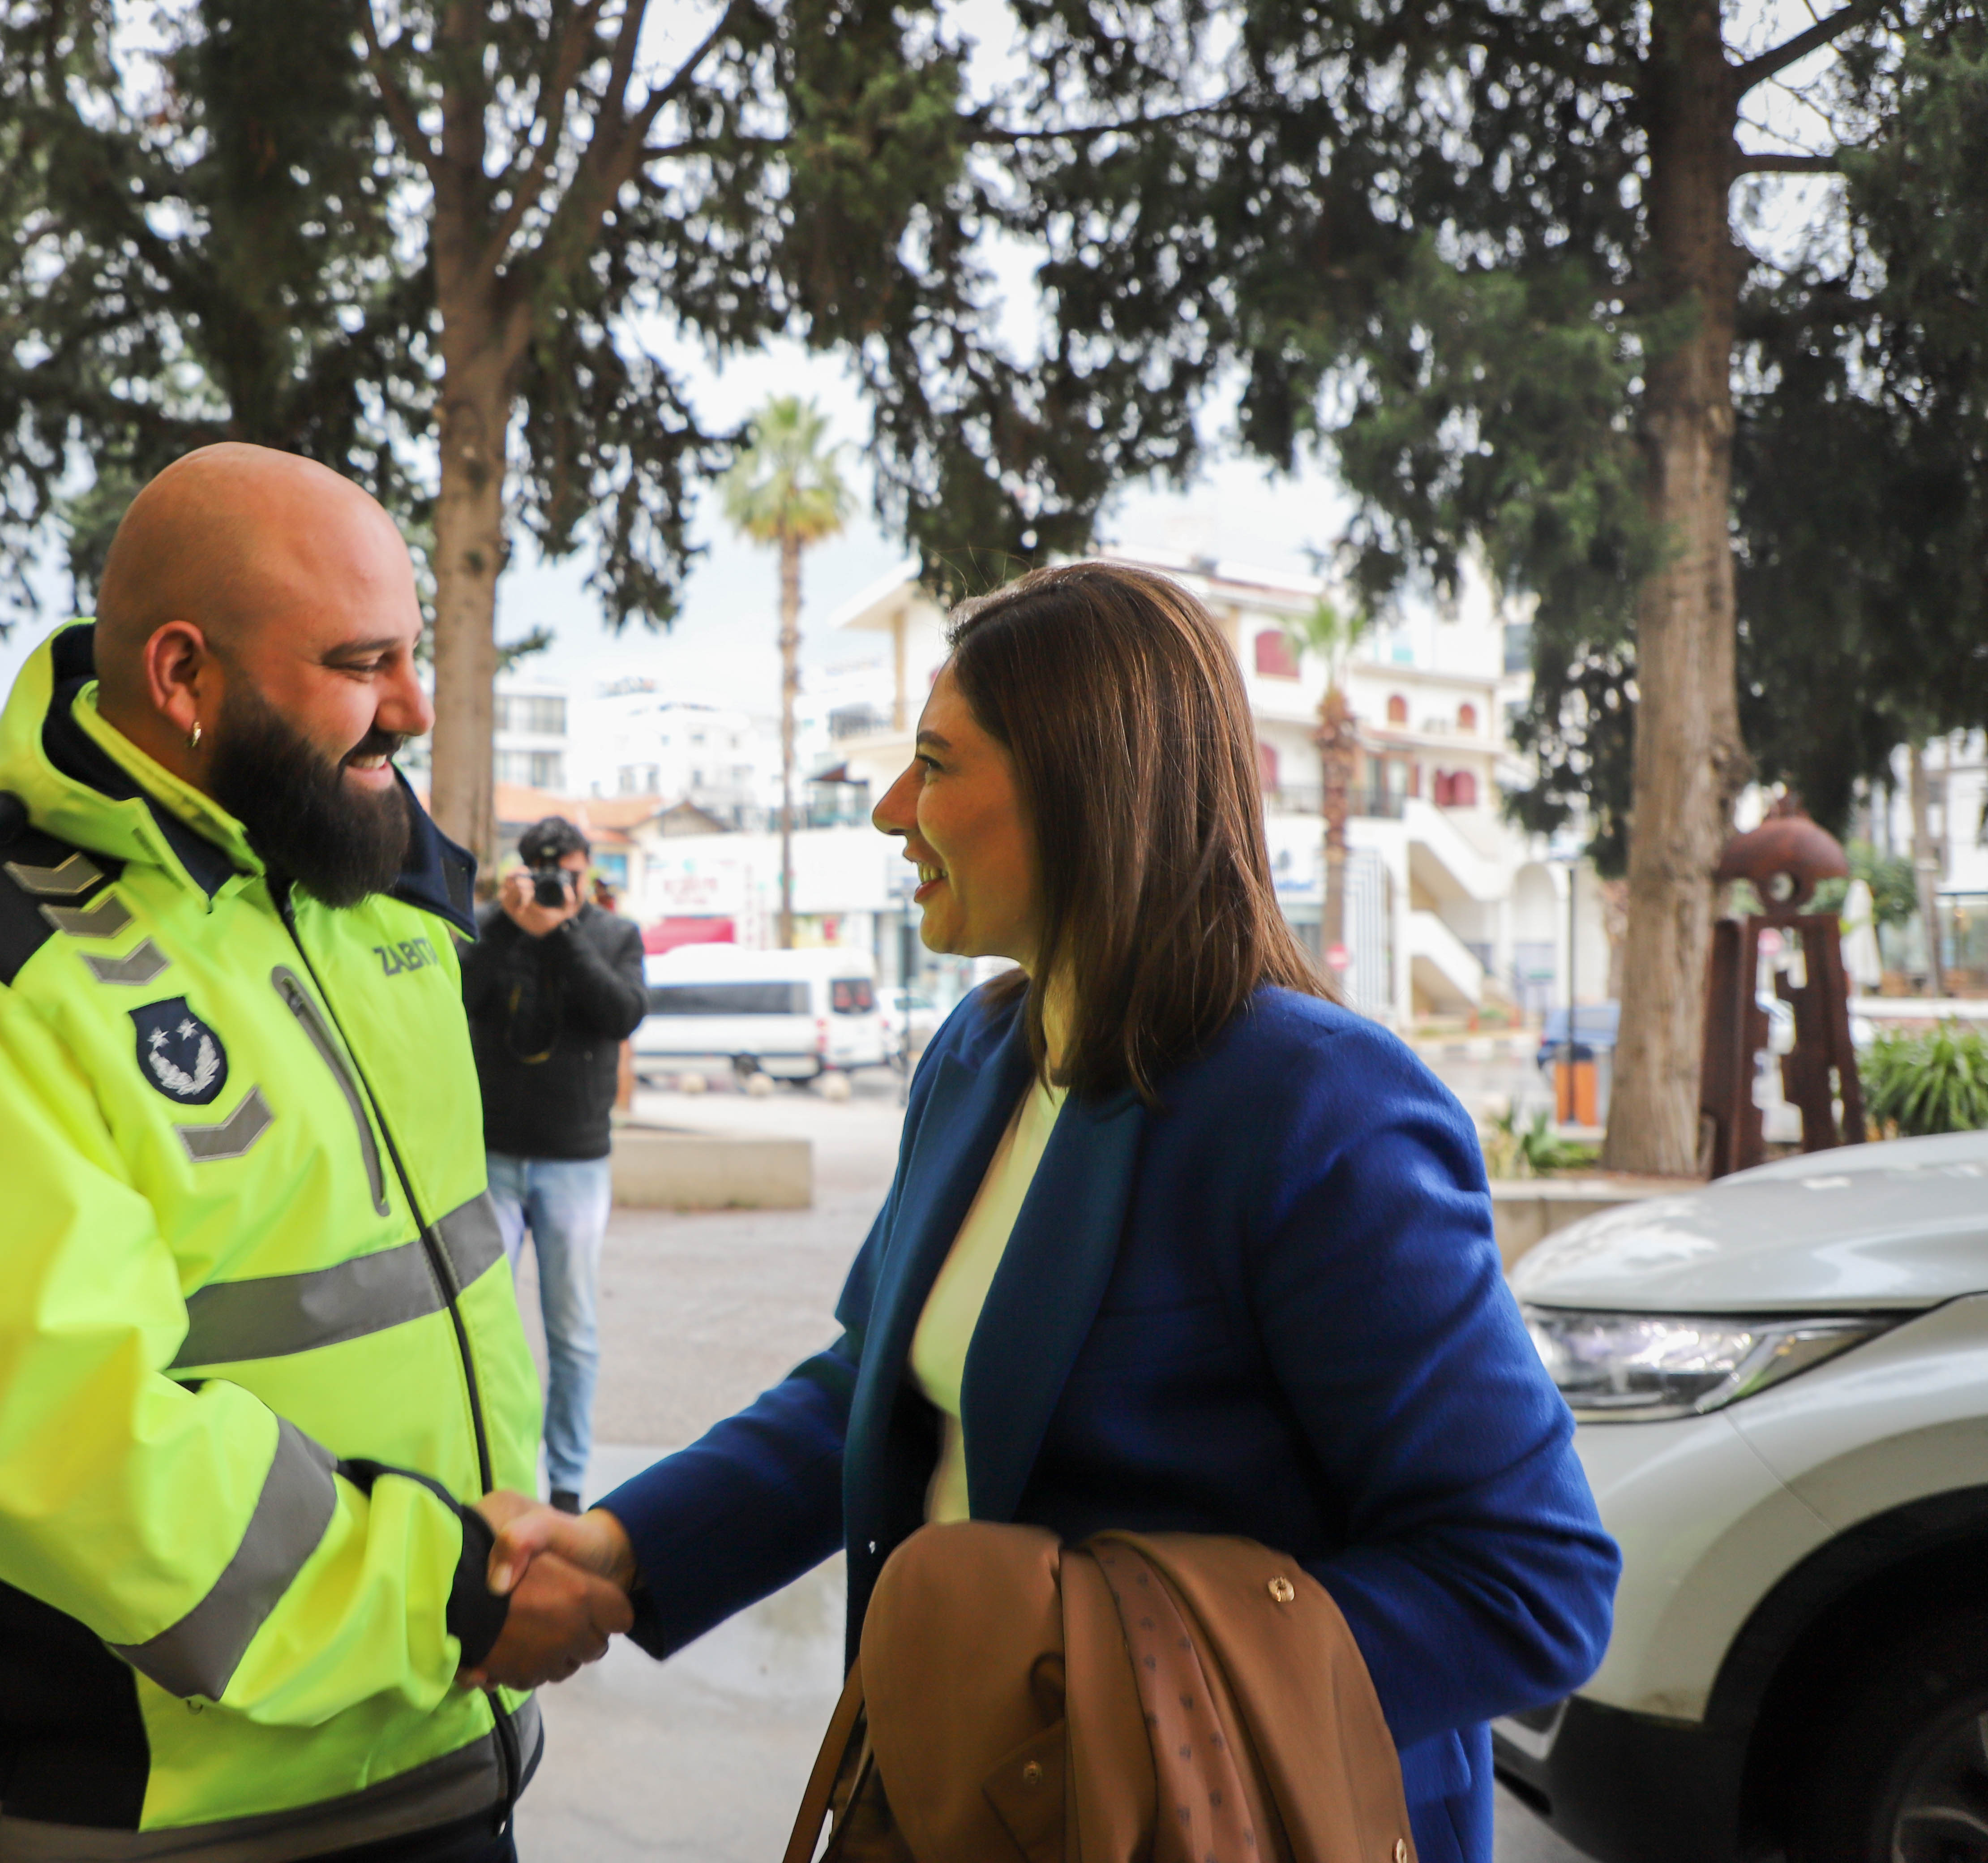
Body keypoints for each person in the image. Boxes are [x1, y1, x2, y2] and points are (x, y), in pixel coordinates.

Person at [488, 562, 1620, 1863]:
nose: (891, 809)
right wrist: (623, 1546)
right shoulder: (979, 1056)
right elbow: (872, 1396)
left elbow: (1528, 1583)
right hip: (970, 1805)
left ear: (1088, 793)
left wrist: (1114, 1714)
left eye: (935, 764)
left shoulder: (1320, 1108)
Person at [0, 443, 628, 1863]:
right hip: (166, 1817)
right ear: (183, 675)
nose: (413, 708)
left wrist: (475, 1603)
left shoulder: (372, 878)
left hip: (444, 1750)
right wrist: (446, 1598)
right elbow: (65, 1436)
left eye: (412, 654)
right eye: (362, 664)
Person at [461, 817, 647, 1513]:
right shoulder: (490, 927)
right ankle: (496, 1475)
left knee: (572, 1333)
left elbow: (623, 1014)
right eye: (541, 873)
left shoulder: (612, 934)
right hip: (493, 1156)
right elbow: (453, 998)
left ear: (586, 868)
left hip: (574, 1160)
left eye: (565, 873)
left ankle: (566, 1486)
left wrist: (564, 932)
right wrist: (508, 929)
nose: (552, 885)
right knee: (485, 1327)